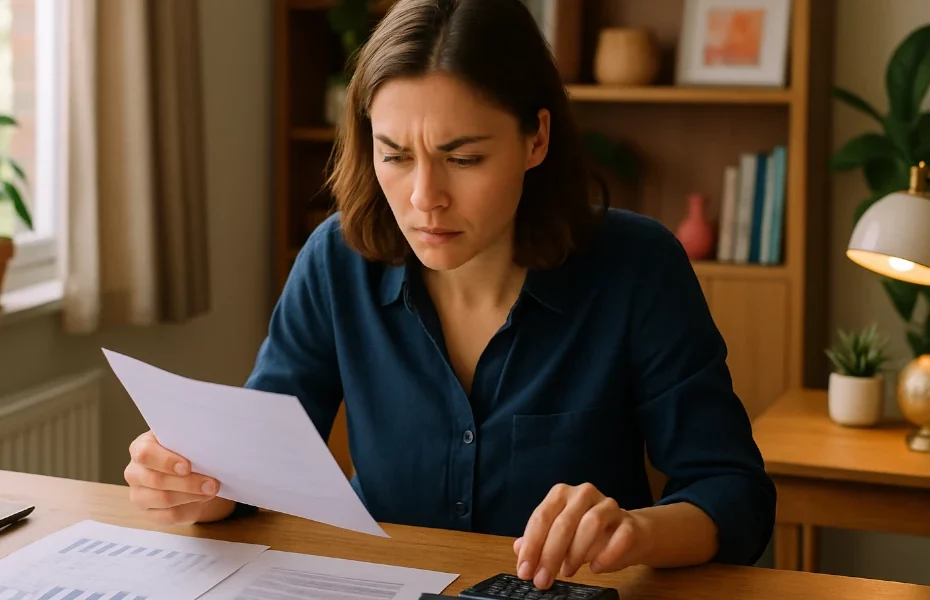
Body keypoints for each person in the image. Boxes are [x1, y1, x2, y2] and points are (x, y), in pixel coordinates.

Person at [123, 0, 776, 589]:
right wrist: (198, 486)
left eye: (463, 159)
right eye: (395, 155)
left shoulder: (637, 267)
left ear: (536, 139)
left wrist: (636, 532)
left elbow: (735, 494)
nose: (423, 198)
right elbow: (255, 465)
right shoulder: (336, 261)